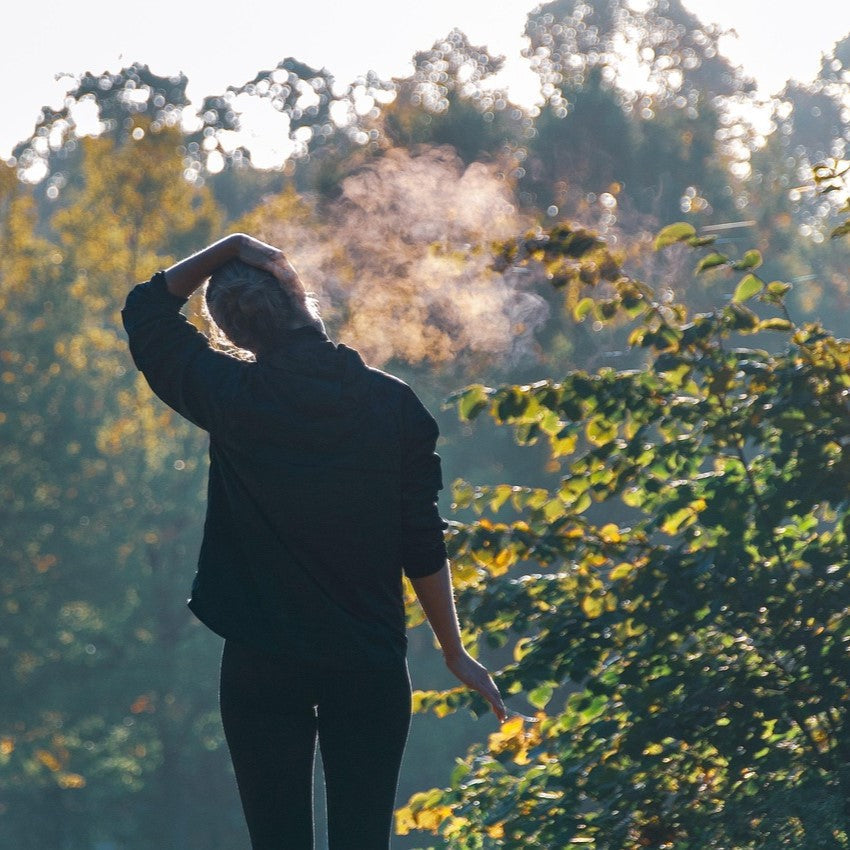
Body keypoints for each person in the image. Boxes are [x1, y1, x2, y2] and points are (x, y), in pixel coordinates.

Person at [121, 233, 506, 850]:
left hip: (262, 664)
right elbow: (421, 541)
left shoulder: (230, 397)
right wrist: (452, 650)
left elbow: (145, 309)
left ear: (236, 336)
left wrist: (229, 248)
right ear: (301, 297)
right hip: (368, 664)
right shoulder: (393, 406)